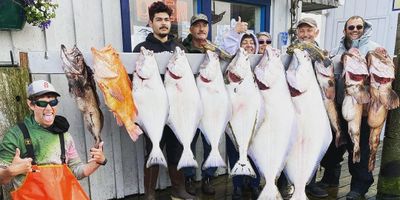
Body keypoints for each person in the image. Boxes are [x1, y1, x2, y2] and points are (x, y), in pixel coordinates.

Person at [0, 80, 106, 199]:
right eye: (42, 103)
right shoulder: (16, 135)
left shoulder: (64, 135)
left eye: (53, 102)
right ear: (31, 104)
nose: (49, 108)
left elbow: (76, 171)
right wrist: (10, 172)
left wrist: (98, 162)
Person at [132, 2, 194, 200]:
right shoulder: (141, 48)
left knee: (177, 148)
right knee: (152, 149)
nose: (163, 23)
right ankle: (150, 193)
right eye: (158, 19)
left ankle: (178, 189)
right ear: (151, 23)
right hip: (153, 111)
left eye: (166, 19)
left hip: (177, 109)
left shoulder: (179, 48)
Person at [318, 16, 380, 200]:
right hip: (338, 106)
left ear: (365, 28)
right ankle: (330, 178)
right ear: (345, 30)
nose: (355, 30)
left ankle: (359, 187)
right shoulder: (337, 50)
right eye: (351, 27)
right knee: (333, 145)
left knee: (358, 147)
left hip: (361, 109)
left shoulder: (373, 49)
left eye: (359, 26)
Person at [180, 13, 230, 196]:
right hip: (189, 105)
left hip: (211, 105)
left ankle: (208, 177)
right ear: (191, 29)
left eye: (204, 25)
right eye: (197, 25)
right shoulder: (182, 47)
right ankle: (189, 178)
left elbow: (230, 60)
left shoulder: (214, 49)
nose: (201, 29)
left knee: (211, 141)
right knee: (188, 141)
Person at [220, 17, 261, 200]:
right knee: (234, 149)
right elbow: (229, 49)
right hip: (235, 113)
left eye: (251, 42)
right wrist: (235, 33)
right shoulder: (235, 61)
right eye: (244, 42)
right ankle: (237, 185)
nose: (248, 45)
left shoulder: (262, 62)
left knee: (255, 150)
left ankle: (254, 183)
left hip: (254, 114)